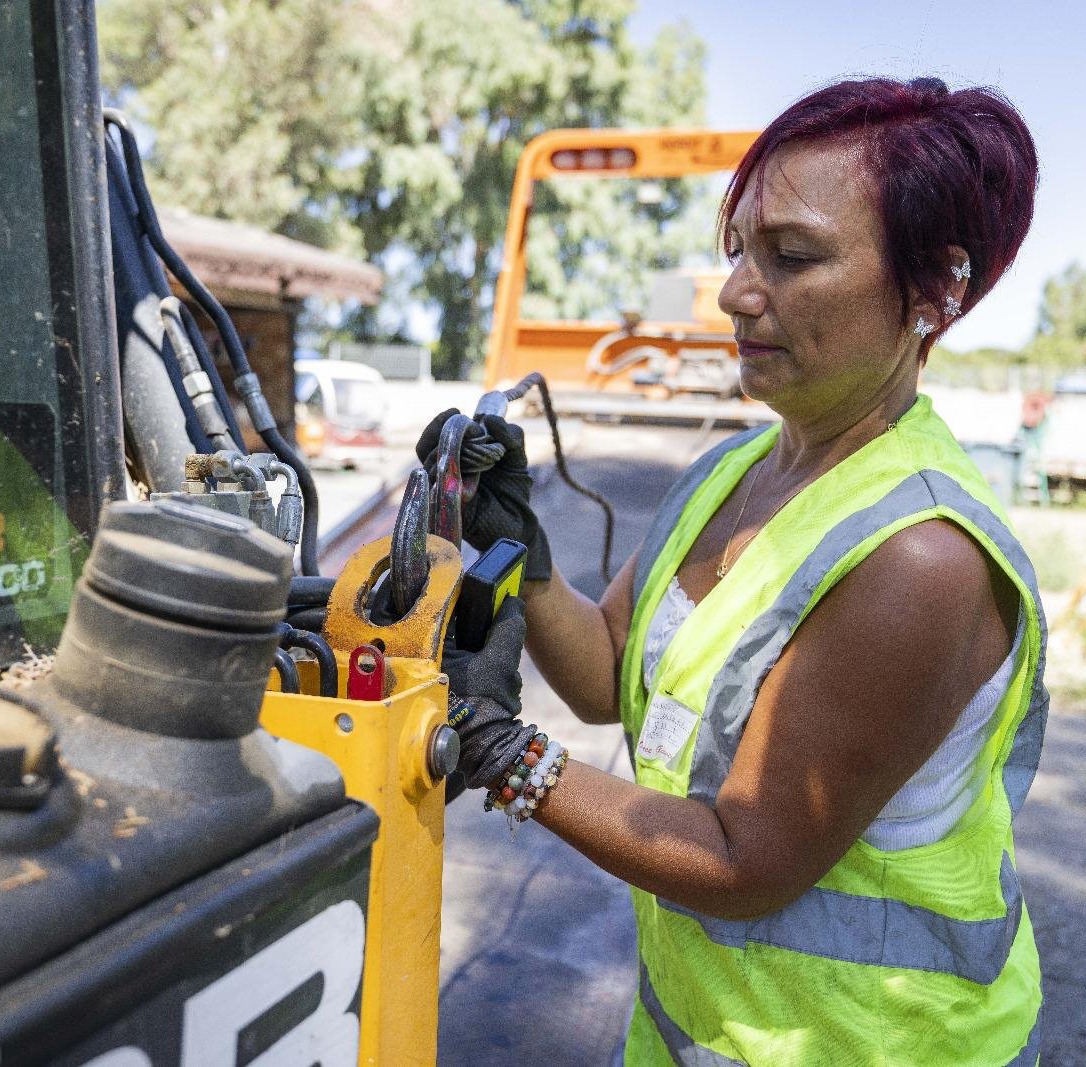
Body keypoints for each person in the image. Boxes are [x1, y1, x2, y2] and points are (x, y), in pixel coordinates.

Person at [426, 75, 1047, 1066]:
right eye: (737, 252)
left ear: (936, 289)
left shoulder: (917, 557)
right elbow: (605, 673)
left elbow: (741, 857)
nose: (734, 294)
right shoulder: (733, 469)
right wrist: (525, 554)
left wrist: (503, 754)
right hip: (699, 1031)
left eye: (792, 257)